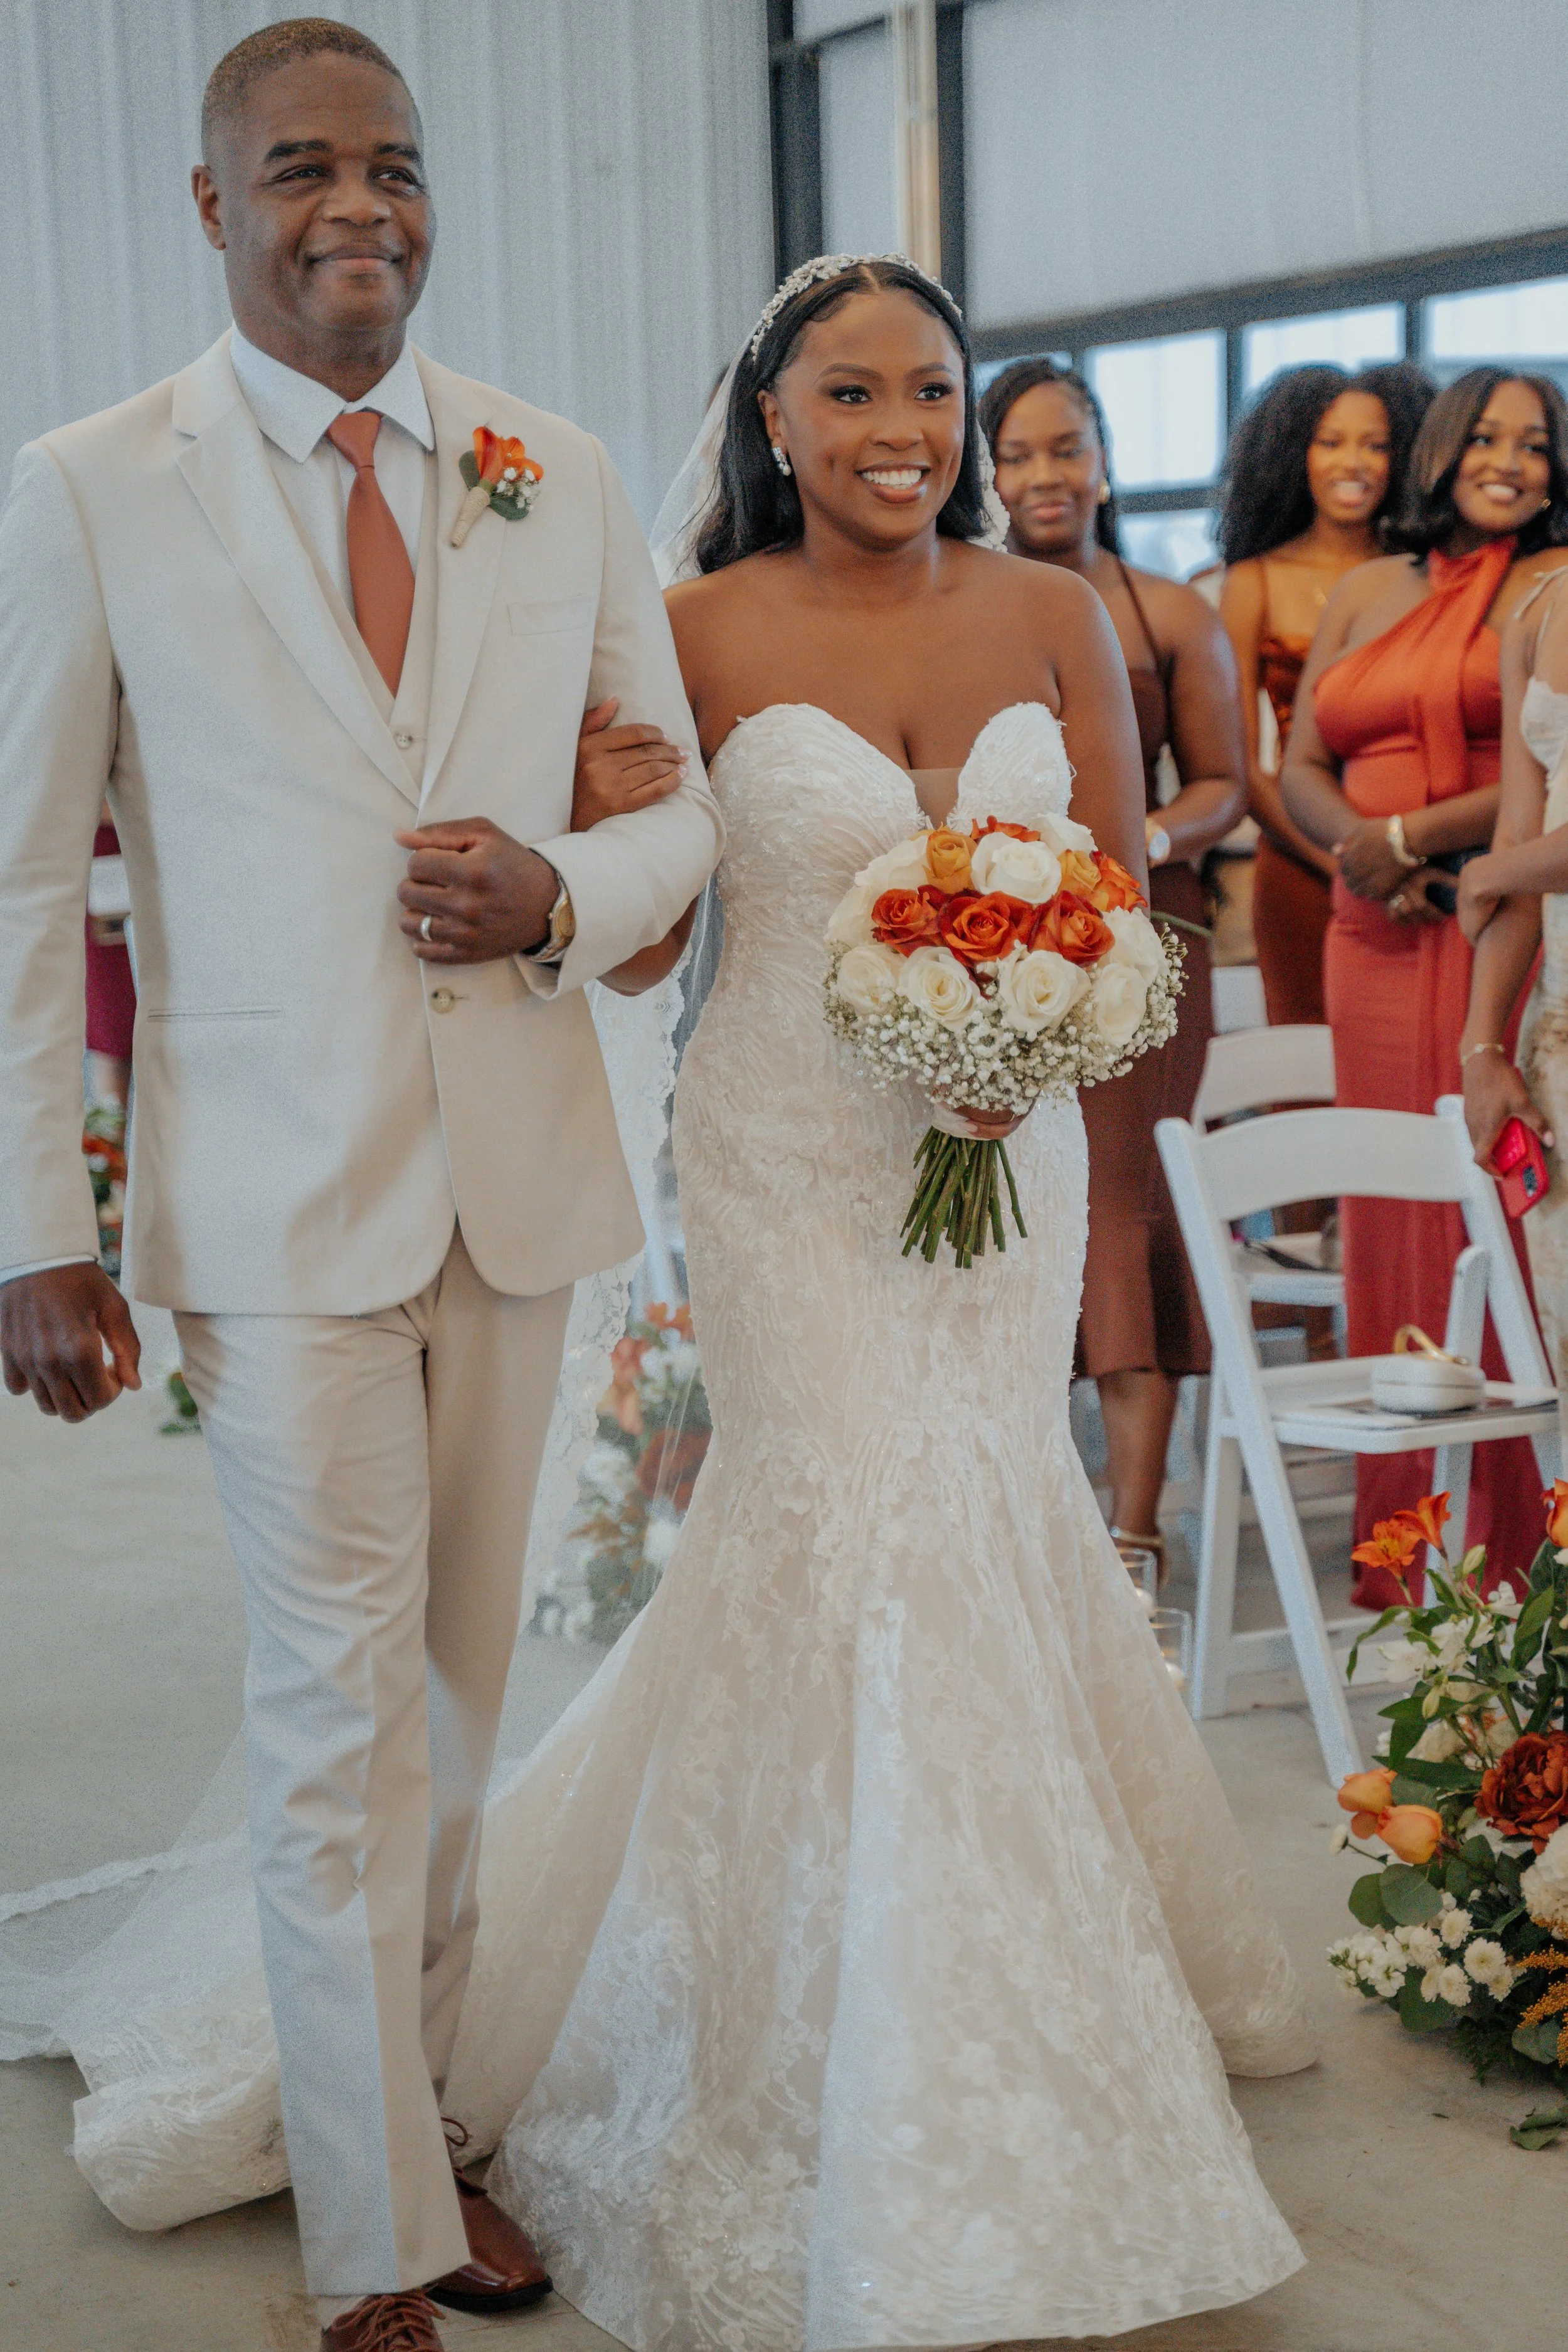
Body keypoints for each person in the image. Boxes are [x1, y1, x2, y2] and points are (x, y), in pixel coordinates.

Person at [440, 257, 1313, 2350]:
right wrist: (583, 816)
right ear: (771, 418)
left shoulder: (1055, 616)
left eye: (930, 386)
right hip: (780, 1158)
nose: (902, 427)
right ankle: (793, 2048)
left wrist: (1037, 1030)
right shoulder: (695, 628)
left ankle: (995, 2016)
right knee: (847, 1528)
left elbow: (1119, 892)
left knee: (978, 1518)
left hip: (998, 1161)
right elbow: (653, 951)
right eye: (853, 392)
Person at [0, 22, 720, 2352]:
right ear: (212, 207)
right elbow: (23, 883)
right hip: (274, 1201)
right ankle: (369, 2233)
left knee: (456, 1699)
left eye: (397, 167)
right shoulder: (95, 483)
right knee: (337, 1714)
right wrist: (38, 1221)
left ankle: (418, 2115)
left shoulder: (554, 466)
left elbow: (677, 806)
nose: (360, 206)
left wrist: (564, 888)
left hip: (514, 1173)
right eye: (303, 168)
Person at [1280, 368, 1568, 1604]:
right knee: (1387, 1217)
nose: (1509, 460)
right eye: (1488, 436)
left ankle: (1508, 1542)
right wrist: (1357, 845)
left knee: (1488, 1210)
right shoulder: (1359, 591)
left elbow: (1529, 768)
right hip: (1369, 933)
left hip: (1481, 920)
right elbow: (1294, 758)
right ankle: (1404, 1547)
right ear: (1440, 449)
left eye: (1536, 443)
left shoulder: (1540, 594)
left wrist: (1414, 847)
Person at [978, 357, 1248, 1577]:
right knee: (1011, 1214)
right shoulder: (958, 605)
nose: (1045, 475)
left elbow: (1221, 783)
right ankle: (1029, 1528)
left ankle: (1132, 1539)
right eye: (1019, 453)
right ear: (987, 472)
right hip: (991, 940)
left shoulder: (1169, 613)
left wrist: (1135, 847)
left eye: (1066, 446)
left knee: (1121, 1211)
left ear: (1103, 460)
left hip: (1149, 935)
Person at [1218, 362, 1434, 1025]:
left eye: (1375, 444)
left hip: (1421, 861)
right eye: (1330, 441)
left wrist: (1401, 860)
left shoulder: (1427, 576)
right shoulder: (1253, 581)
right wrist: (1341, 860)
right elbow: (1241, 764)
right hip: (1297, 862)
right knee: (1305, 1075)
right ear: (1292, 454)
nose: (1355, 462)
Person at [1458, 568, 1568, 1407]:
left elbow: (1505, 864)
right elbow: (1516, 845)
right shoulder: (1538, 607)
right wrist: (1483, 1045)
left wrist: (1497, 868)